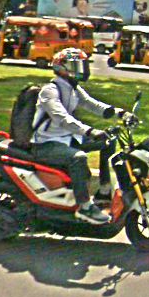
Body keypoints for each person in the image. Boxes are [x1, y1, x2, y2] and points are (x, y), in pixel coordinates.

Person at [30, 48, 136, 225]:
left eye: (82, 65)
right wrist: (90, 131)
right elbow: (62, 118)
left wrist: (121, 113)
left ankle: (104, 191)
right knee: (78, 158)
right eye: (76, 65)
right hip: (46, 143)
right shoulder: (50, 90)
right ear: (62, 68)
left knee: (108, 141)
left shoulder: (73, 88)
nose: (81, 69)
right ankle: (85, 207)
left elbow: (92, 105)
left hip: (67, 138)